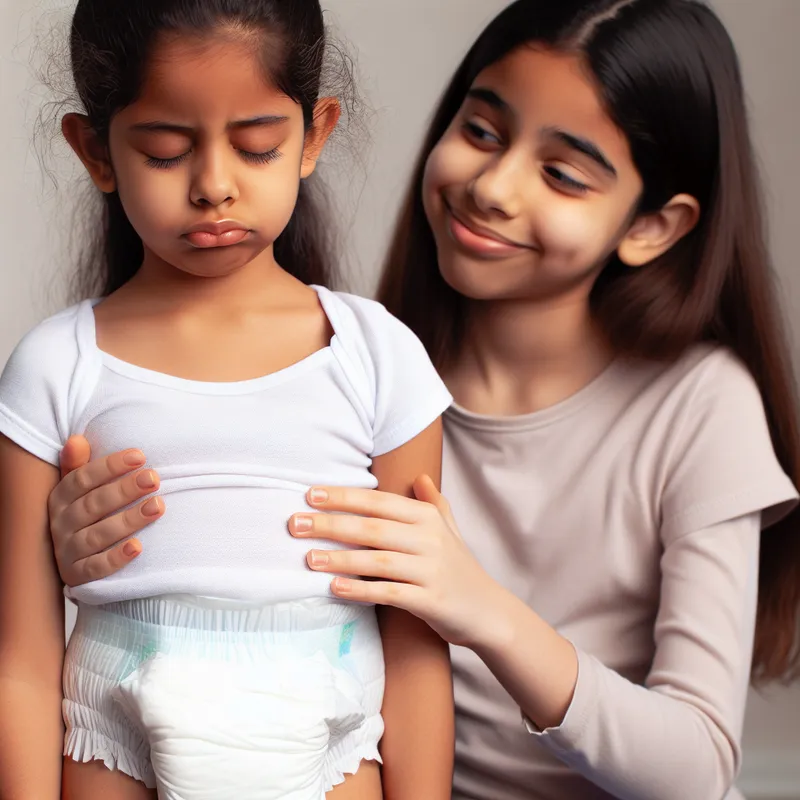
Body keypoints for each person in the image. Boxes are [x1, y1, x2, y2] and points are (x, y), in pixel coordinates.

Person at [38, 0, 800, 798]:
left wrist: (481, 610)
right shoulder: (357, 368)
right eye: (481, 131)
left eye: (563, 174)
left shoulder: (702, 406)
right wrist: (62, 540)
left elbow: (700, 769)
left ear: (652, 225)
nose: (495, 187)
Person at [0, 1, 456, 798]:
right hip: (115, 720)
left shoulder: (379, 358)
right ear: (96, 152)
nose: (215, 186)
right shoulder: (54, 367)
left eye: (257, 147)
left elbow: (417, 646)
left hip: (330, 723)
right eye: (167, 153)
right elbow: (22, 661)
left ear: (313, 137)